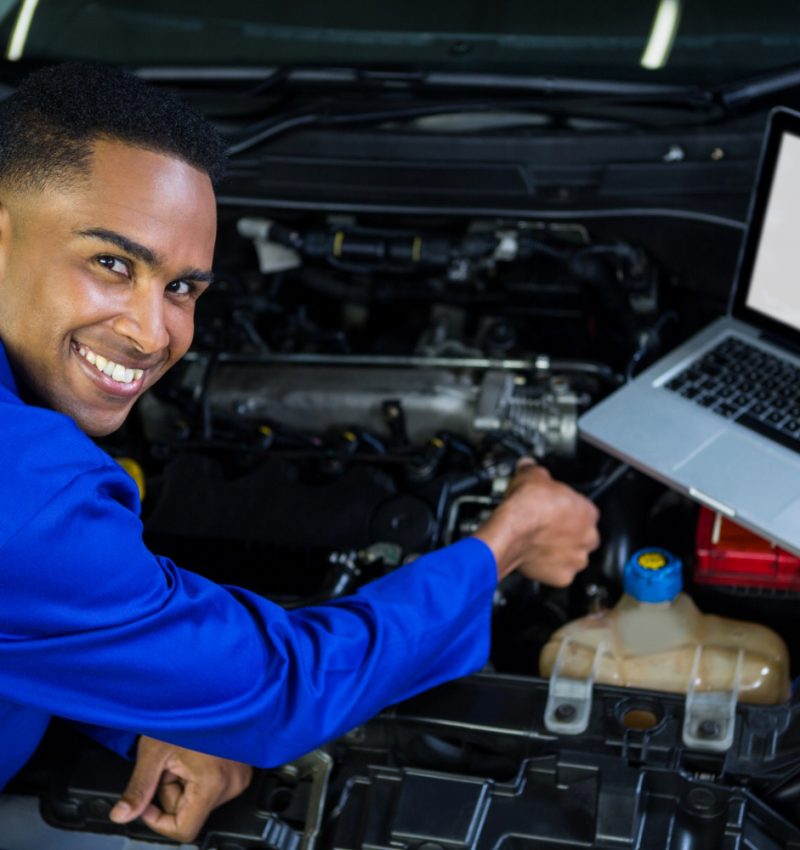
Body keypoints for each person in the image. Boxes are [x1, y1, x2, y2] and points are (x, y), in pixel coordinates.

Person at [0, 63, 600, 842]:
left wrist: (153, 703)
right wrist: (503, 548)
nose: (154, 334)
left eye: (183, 288)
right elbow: (284, 685)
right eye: (113, 264)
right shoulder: (30, 494)